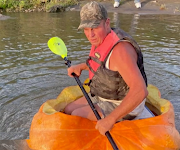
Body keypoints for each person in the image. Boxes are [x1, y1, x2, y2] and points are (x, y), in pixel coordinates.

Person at [64, 1, 150, 136]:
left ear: (107, 23)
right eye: (86, 29)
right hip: (106, 95)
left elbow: (140, 91)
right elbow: (102, 64)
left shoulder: (120, 51)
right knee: (68, 109)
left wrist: (111, 119)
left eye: (94, 28)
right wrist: (80, 66)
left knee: (76, 114)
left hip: (123, 104)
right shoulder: (102, 38)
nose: (90, 34)